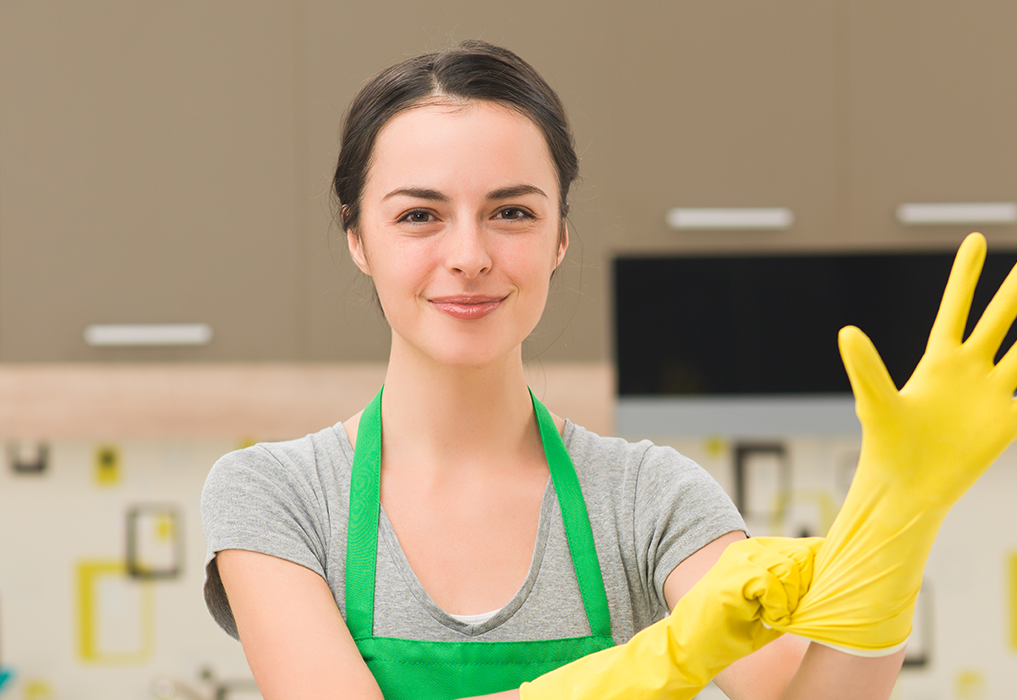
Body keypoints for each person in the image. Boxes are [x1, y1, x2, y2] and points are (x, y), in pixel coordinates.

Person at [200, 41, 908, 699]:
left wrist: (905, 509)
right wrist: (661, 659)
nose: (470, 256)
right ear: (358, 238)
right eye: (420, 215)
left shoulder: (646, 498)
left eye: (511, 212)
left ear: (560, 237)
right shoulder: (279, 496)